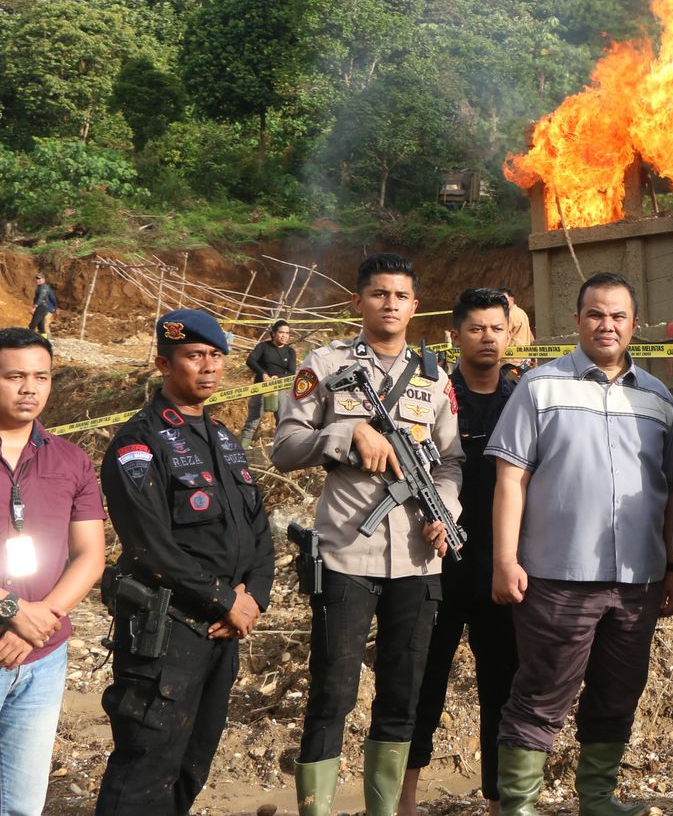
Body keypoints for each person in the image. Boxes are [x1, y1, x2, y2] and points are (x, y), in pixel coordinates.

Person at [273, 253, 464, 816]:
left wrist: (446, 509)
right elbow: (284, 446)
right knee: (332, 694)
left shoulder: (434, 376)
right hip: (345, 557)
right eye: (379, 294)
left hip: (418, 559)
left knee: (401, 696)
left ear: (415, 304)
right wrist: (348, 433)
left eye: (401, 296)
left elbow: (452, 460)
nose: (390, 304)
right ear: (358, 302)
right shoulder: (324, 363)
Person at [487, 271, 673, 815]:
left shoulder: (658, 399)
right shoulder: (540, 386)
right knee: (542, 693)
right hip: (556, 577)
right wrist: (504, 559)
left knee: (618, 695)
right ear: (576, 321)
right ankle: (518, 804)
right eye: (596, 314)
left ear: (634, 325)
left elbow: (670, 492)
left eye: (618, 316)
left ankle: (597, 797)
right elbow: (510, 479)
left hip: (637, 582)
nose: (607, 325)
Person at [97, 310, 274, 814]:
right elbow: (149, 545)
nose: (209, 367)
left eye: (216, 356)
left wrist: (252, 598)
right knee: (145, 766)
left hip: (224, 629)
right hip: (169, 630)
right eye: (195, 356)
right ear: (163, 363)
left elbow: (259, 530)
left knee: (193, 763)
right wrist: (223, 600)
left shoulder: (223, 438)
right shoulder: (140, 441)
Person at [400, 289, 520, 816]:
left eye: (497, 328)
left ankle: (498, 802)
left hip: (501, 567)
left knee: (502, 689)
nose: (488, 337)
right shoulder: (429, 395)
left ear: (510, 334)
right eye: (476, 328)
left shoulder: (524, 396)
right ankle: (403, 799)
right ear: (455, 335)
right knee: (422, 684)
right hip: (437, 564)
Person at [0, 329, 105, 816]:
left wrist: (42, 618)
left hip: (43, 655)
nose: (29, 388)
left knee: (22, 804)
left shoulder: (72, 459)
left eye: (40, 377)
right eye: (14, 375)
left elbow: (89, 555)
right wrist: (12, 610)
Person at [241, 319, 296, 449]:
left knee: (282, 417)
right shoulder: (263, 347)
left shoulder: (290, 352)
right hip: (260, 386)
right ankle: (243, 447)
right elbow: (251, 361)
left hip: (279, 387)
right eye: (281, 332)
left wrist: (279, 377)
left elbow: (292, 373)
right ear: (274, 333)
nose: (284, 336)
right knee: (254, 418)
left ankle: (281, 446)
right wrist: (263, 373)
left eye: (287, 333)